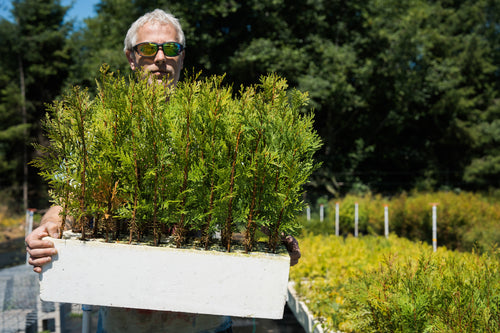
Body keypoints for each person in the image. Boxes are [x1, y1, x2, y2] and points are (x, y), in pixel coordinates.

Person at [25, 8, 301, 333]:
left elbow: (239, 209)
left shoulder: (217, 128)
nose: (159, 58)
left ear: (182, 58)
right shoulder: (102, 128)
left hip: (206, 322)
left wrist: (274, 237)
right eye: (147, 49)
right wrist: (49, 227)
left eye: (171, 49)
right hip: (122, 322)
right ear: (131, 57)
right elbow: (69, 200)